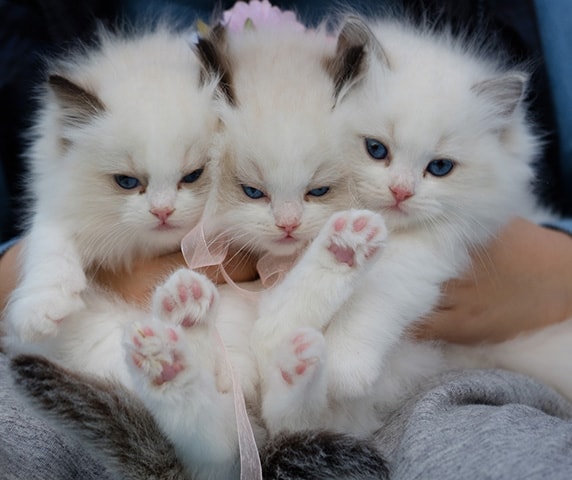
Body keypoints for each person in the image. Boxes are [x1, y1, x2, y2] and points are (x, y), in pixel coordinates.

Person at [1, 1, 572, 479]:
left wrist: (555, 264)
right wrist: (51, 263)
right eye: (377, 152)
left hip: (459, 358)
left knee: (486, 448)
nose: (398, 186)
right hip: (109, 341)